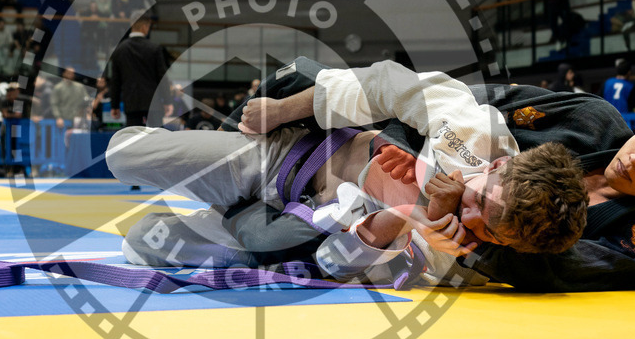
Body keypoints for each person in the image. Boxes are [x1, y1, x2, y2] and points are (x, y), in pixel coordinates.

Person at [221, 57, 635, 292]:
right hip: (396, 155)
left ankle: (253, 208)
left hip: (419, 238)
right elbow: (470, 108)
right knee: (296, 77)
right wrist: (415, 160)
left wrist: (443, 222)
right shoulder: (592, 120)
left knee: (267, 247)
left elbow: (538, 270)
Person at [108, 61, 588, 284]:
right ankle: (220, 181)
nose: (469, 212)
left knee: (139, 245)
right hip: (284, 157)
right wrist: (281, 110)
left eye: (487, 225)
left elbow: (335, 265)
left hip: (285, 227)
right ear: (500, 163)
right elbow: (387, 83)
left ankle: (225, 217)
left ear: (502, 243)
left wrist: (407, 214)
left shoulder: (452, 261)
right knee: (121, 155)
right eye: (482, 195)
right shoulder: (475, 133)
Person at [108, 13, 169, 126]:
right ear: (145, 27)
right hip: (153, 104)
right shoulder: (154, 49)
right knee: (156, 139)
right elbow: (162, 77)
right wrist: (167, 101)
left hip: (131, 104)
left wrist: (114, 105)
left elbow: (115, 81)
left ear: (131, 25)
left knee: (134, 139)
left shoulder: (119, 50)